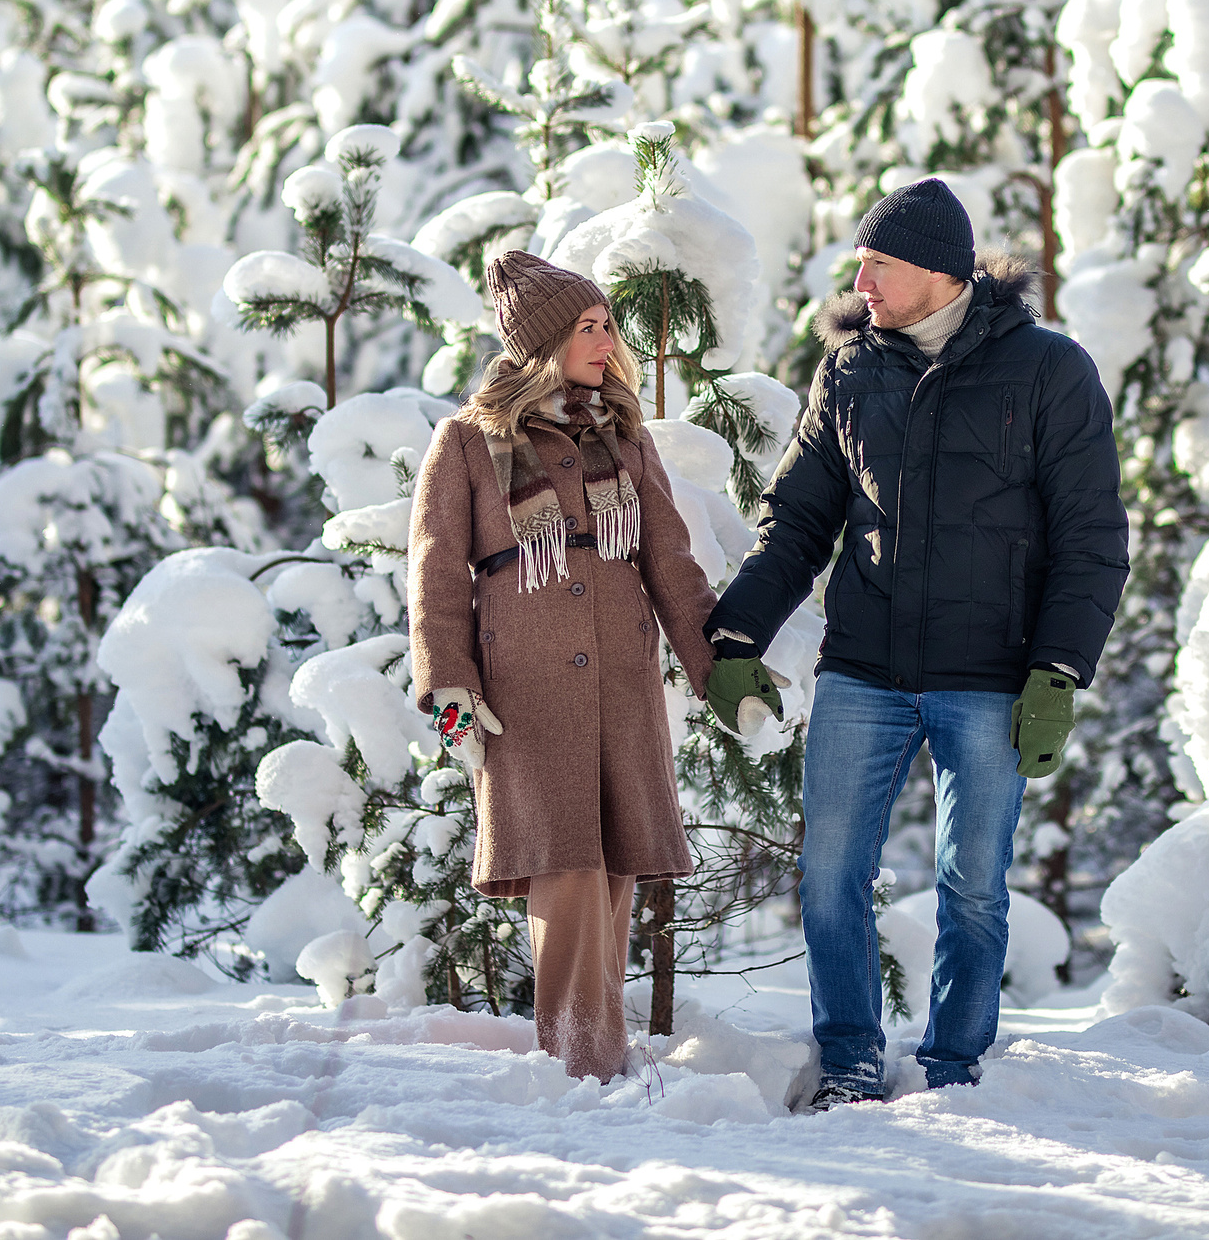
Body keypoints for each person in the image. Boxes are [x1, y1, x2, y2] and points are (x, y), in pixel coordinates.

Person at [702, 179, 1129, 1106]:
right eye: (859, 261)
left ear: (939, 270)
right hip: (865, 665)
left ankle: (951, 1063)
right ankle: (850, 1052)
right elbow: (797, 525)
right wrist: (736, 634)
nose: (860, 280)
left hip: (990, 674)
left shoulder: (1049, 369)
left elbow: (1092, 535)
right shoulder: (851, 370)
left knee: (972, 882)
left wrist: (1058, 670)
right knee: (828, 875)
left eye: (878, 262)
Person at [406, 250, 718, 1083]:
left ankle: (592, 1061)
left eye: (608, 323)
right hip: (528, 697)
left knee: (612, 873)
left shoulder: (623, 436)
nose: (607, 339)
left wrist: (720, 667)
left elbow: (672, 564)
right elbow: (437, 576)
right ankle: (584, 1068)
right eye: (589, 326)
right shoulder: (468, 441)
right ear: (544, 341)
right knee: (569, 876)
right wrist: (451, 694)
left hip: (622, 688)